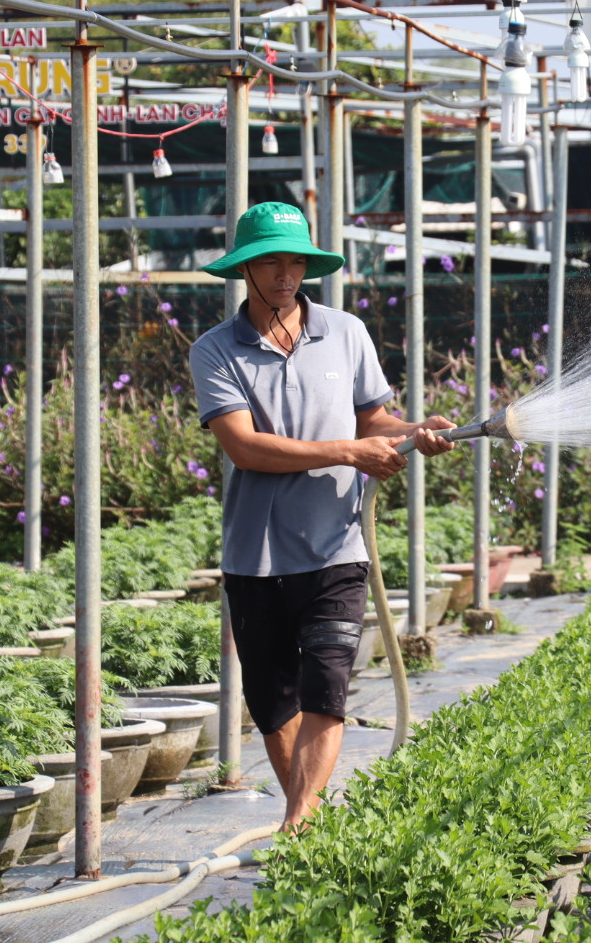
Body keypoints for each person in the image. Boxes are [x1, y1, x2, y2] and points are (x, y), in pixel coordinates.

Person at [188, 201, 455, 831]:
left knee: (326, 687)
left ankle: (299, 818)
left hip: (337, 544)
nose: (287, 274)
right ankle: (304, 821)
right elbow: (243, 445)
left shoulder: (345, 332)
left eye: (297, 261)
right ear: (245, 270)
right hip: (256, 553)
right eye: (272, 262)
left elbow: (373, 422)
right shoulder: (217, 350)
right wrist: (347, 452)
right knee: (271, 699)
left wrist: (417, 430)